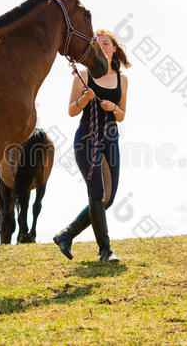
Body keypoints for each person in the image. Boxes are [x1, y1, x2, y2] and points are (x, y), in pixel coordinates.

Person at [53, 29, 130, 262]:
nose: (102, 46)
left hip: (111, 137)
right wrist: (84, 100)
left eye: (106, 43)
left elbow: (122, 114)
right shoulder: (83, 76)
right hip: (87, 137)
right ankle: (105, 250)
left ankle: (66, 234)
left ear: (114, 48)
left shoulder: (122, 79)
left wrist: (112, 108)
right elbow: (71, 110)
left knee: (109, 198)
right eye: (97, 43)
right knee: (96, 192)